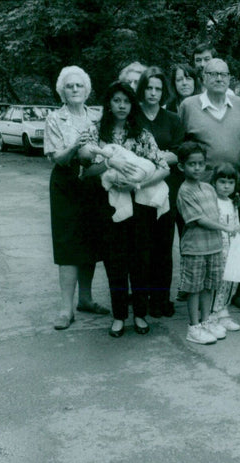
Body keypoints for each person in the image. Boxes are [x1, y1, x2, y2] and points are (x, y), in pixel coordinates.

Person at [98, 81, 170, 337]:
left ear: (132, 105)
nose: (121, 106)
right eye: (116, 100)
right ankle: (118, 316)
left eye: (126, 101)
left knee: (141, 259)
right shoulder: (98, 131)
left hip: (140, 206)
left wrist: (137, 183)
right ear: (109, 104)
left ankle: (139, 314)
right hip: (109, 206)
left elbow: (164, 167)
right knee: (115, 261)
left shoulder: (142, 133)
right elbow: (86, 163)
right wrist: (112, 172)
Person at [43, 65, 110, 331]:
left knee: (91, 241)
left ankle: (86, 299)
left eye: (79, 85)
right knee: (68, 245)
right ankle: (65, 308)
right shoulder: (54, 118)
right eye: (69, 86)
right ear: (62, 91)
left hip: (93, 181)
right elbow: (56, 157)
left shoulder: (98, 116)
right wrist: (75, 146)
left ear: (87, 90)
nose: (74, 89)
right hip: (66, 183)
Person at [176, 141, 240, 345]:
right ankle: (194, 327)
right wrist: (225, 228)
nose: (197, 168)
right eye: (191, 164)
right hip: (195, 249)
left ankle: (206, 321)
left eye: (200, 164)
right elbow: (199, 220)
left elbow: (218, 211)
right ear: (181, 167)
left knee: (209, 286)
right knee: (194, 288)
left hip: (214, 246)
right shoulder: (185, 191)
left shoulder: (208, 188)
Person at [136, 66, 186, 317]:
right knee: (141, 247)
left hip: (167, 190)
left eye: (158, 88)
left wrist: (153, 157)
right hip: (139, 191)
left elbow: (178, 153)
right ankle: (141, 299)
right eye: (149, 87)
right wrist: (159, 157)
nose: (153, 93)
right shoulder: (134, 117)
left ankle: (160, 299)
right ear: (142, 89)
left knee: (163, 248)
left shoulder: (173, 119)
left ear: (163, 91)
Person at [178, 58, 240, 222]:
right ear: (204, 78)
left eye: (223, 74)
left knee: (238, 241)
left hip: (236, 189)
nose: (219, 78)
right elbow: (180, 147)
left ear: (229, 78)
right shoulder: (189, 106)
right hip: (201, 191)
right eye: (213, 74)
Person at [208, 163, 240, 332]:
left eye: (230, 182)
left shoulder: (233, 203)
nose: (226, 186)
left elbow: (237, 223)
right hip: (217, 249)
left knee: (230, 282)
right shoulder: (212, 202)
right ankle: (212, 314)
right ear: (214, 182)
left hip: (232, 251)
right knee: (217, 281)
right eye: (222, 182)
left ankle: (223, 311)